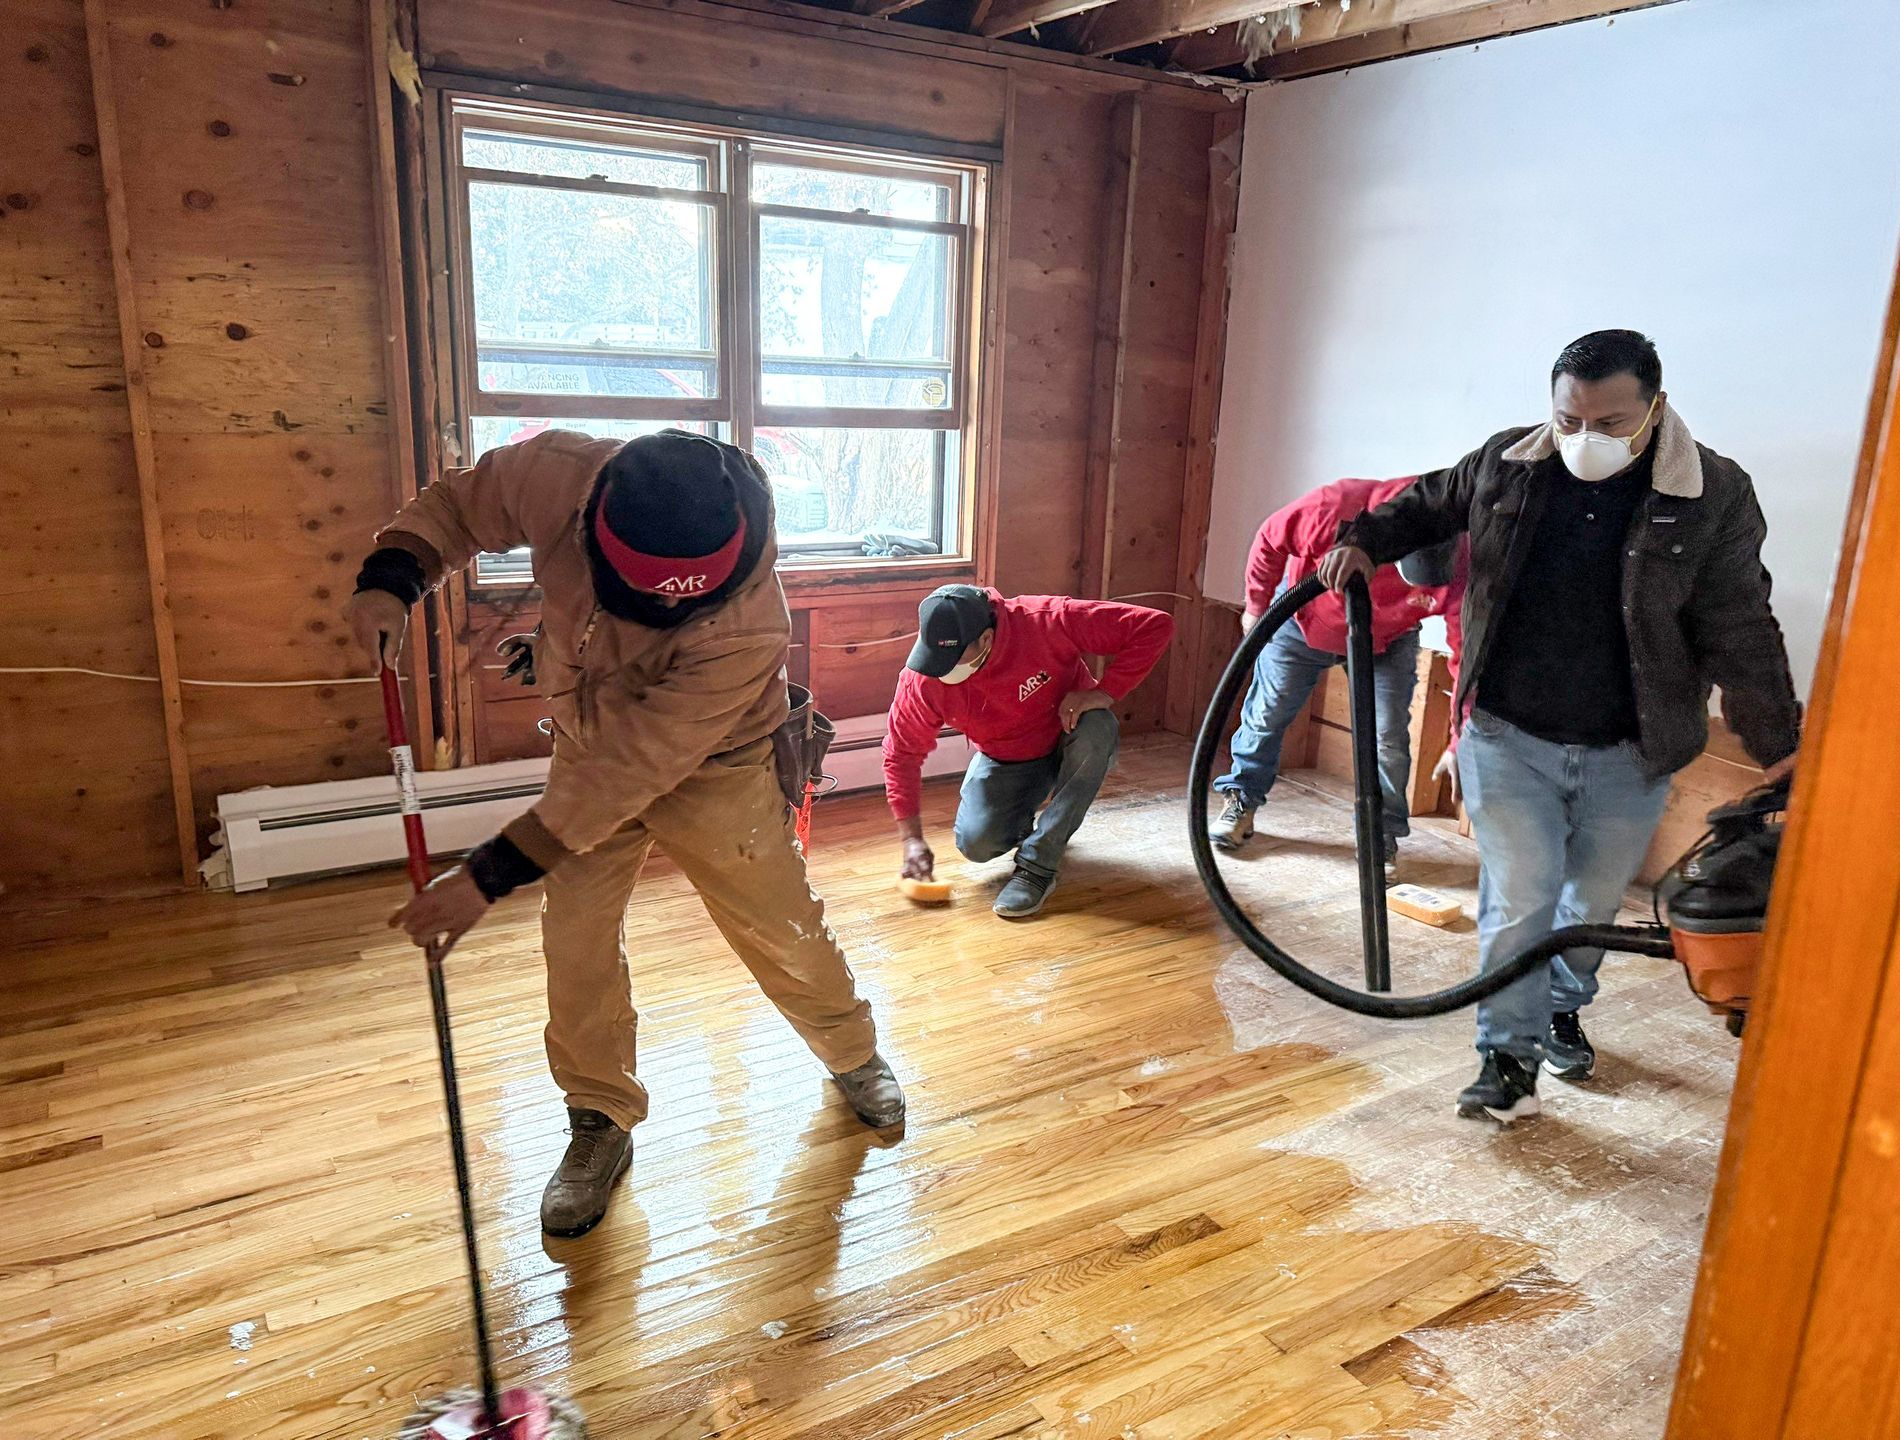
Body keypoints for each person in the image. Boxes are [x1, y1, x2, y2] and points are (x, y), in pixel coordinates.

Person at [344, 429, 903, 1237]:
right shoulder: (557, 475)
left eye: (687, 600)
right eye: (654, 598)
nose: (672, 612)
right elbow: (458, 508)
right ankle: (598, 1114)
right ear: (596, 527)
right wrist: (391, 579)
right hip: (589, 739)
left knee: (779, 922)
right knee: (575, 938)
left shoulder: (748, 626)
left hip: (716, 762)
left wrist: (486, 877)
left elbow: (631, 772)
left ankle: (852, 1051)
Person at [1319, 330, 1799, 1123]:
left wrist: (1780, 745)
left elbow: (1740, 624)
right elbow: (1427, 501)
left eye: (1611, 424)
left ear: (1654, 411)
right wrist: (1363, 541)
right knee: (1520, 897)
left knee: (1590, 909)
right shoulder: (1509, 462)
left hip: (1631, 750)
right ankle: (1505, 1060)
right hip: (1509, 736)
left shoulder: (1713, 491)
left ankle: (1561, 1007)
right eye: (1570, 420)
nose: (1586, 440)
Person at [1209, 477, 1466, 880]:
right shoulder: (1333, 510)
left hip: (1389, 638)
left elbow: (1465, 654)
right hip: (1302, 619)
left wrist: (1458, 738)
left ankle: (1378, 834)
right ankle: (1241, 799)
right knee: (1268, 713)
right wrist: (1256, 608)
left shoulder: (1462, 561)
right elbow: (1270, 539)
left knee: (1387, 736)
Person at [884, 585, 1173, 919]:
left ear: (987, 640)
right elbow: (901, 754)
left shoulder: (1048, 620)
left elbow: (1154, 625)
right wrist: (911, 840)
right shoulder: (923, 679)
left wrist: (1105, 692)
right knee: (976, 844)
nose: (943, 670)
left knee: (1098, 729)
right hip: (1009, 757)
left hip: (1071, 737)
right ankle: (1024, 815)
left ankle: (1038, 865)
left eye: (955, 656)